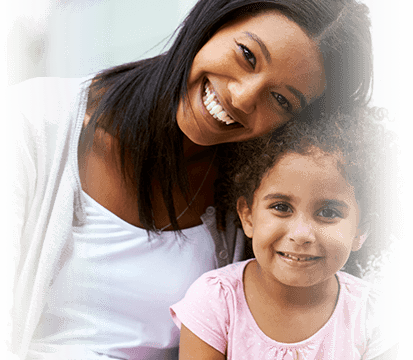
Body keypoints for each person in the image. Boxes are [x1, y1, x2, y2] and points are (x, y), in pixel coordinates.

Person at [5, 0, 377, 359]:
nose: (241, 97)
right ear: (215, 19)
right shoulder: (29, 124)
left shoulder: (261, 198)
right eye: (247, 55)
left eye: (280, 99)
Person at [170, 113, 402, 359]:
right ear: (248, 216)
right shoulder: (215, 301)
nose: (301, 235)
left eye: (328, 212)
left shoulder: (375, 316)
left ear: (359, 233)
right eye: (281, 207)